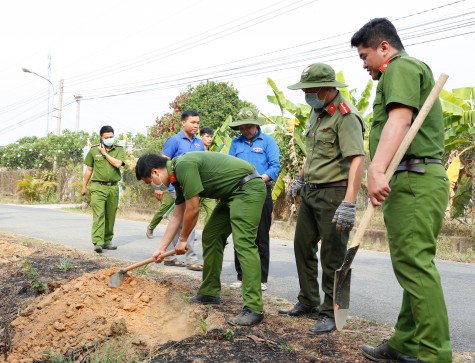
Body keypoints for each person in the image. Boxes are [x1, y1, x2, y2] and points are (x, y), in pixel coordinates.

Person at [350, 18, 451, 363]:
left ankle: (435, 355)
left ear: (384, 48)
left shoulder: (400, 67)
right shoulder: (399, 71)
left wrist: (376, 169)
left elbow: (399, 120)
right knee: (411, 263)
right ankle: (406, 342)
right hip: (412, 179)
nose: (364, 64)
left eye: (365, 56)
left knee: (414, 264)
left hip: (413, 178)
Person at [279, 63, 365, 334]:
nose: (307, 94)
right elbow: (314, 152)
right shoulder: (316, 113)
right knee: (302, 245)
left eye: (311, 89)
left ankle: (330, 311)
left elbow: (357, 160)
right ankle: (308, 300)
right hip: (312, 190)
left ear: (328, 88)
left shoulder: (345, 116)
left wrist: (349, 201)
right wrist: (301, 178)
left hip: (334, 193)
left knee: (333, 255)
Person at [135, 152, 267, 326]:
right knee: (211, 235)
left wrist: (183, 239)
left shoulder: (183, 165)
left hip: (247, 188)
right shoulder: (176, 176)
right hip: (230, 194)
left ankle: (253, 308)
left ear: (154, 172)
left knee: (244, 243)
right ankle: (209, 292)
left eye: (149, 182)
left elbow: (193, 209)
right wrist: (162, 247)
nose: (153, 186)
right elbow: (177, 215)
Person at [228, 107, 280, 292]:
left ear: (256, 125)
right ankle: (241, 276)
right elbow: (230, 165)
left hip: (261, 192)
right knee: (241, 235)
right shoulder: (236, 143)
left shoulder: (268, 141)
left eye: (248, 127)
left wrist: (257, 181)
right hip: (240, 193)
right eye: (242, 128)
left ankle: (261, 279)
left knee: (261, 236)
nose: (245, 131)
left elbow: (275, 166)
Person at [147, 109, 205, 271]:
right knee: (189, 220)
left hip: (193, 187)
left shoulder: (199, 143)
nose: (195, 126)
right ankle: (191, 258)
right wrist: (159, 188)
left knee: (180, 220)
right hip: (175, 186)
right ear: (183, 123)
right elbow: (161, 166)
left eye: (198, 123)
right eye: (193, 122)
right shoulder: (174, 141)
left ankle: (170, 256)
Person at [82, 125, 125, 253]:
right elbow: (89, 169)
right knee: (99, 214)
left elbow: (118, 164)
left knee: (110, 215)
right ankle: (98, 242)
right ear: (101, 137)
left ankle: (107, 241)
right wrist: (84, 185)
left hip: (113, 187)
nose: (109, 139)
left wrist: (104, 154)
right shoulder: (93, 150)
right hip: (98, 186)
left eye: (111, 137)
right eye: (107, 137)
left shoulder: (119, 149)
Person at [198, 127, 216, 225]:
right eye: (207, 136)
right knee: (192, 212)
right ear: (201, 137)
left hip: (208, 188)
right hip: (196, 187)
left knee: (212, 212)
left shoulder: (211, 153)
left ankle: (208, 236)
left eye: (211, 137)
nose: (210, 139)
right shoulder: (195, 150)